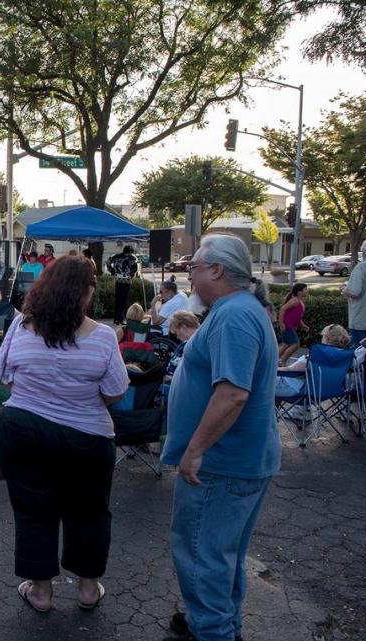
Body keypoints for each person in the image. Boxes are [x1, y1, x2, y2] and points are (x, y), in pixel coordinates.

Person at [161, 234, 280, 641]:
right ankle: (216, 626)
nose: (189, 275)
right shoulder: (239, 311)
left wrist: (196, 451)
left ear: (217, 270)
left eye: (193, 267)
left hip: (221, 464)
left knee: (203, 558)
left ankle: (212, 630)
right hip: (236, 461)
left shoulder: (234, 316)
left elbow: (232, 394)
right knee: (221, 558)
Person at [0, 256, 129, 613]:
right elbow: (116, 391)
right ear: (84, 294)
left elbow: (3, 374)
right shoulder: (101, 337)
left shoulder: (22, 326)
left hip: (23, 430)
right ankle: (87, 589)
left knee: (33, 512)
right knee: (89, 512)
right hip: (86, 439)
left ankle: (40, 592)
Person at [277, 283, 310, 366]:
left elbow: (297, 316)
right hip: (287, 325)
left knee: (286, 344)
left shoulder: (299, 301)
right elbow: (282, 309)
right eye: (305, 289)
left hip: (291, 326)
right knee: (295, 344)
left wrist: (303, 325)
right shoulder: (294, 300)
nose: (307, 290)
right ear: (299, 292)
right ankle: (282, 361)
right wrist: (281, 323)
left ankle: (274, 359)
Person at [106, 245, 138, 325]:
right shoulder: (132, 257)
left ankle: (116, 318)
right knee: (123, 300)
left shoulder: (116, 256)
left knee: (118, 299)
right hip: (126, 281)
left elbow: (108, 262)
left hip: (118, 279)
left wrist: (112, 271)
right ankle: (121, 318)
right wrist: (131, 274)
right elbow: (135, 268)